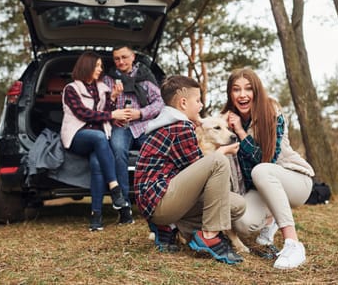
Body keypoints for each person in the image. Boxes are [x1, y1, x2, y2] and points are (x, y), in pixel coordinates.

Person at [134, 75, 246, 265]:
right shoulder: (180, 127)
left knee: (236, 205)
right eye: (198, 100)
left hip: (156, 202)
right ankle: (209, 236)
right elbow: (203, 171)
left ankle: (169, 229)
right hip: (160, 202)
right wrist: (222, 152)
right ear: (183, 103)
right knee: (218, 161)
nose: (201, 105)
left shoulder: (168, 124)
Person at [221, 68, 315, 269]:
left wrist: (239, 131)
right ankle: (272, 216)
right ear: (230, 94)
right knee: (242, 223)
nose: (242, 95)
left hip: (295, 181)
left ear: (257, 90)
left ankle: (293, 244)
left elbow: (266, 159)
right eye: (236, 90)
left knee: (261, 170)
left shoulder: (271, 112)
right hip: (260, 187)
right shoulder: (226, 120)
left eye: (248, 89)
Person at [60, 52, 131, 231]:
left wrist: (113, 98)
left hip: (98, 138)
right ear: (87, 66)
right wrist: (112, 114)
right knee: (99, 137)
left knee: (97, 163)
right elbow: (83, 114)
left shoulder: (102, 88)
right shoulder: (71, 89)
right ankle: (115, 189)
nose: (100, 69)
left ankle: (96, 216)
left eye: (100, 66)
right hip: (78, 135)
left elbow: (107, 112)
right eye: (97, 66)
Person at [103, 46, 164, 225]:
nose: (121, 62)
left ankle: (155, 200)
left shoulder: (145, 77)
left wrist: (141, 113)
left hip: (144, 125)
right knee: (118, 153)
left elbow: (160, 102)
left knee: (156, 153)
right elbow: (100, 107)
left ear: (133, 57)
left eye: (124, 57)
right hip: (120, 127)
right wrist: (113, 99)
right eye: (116, 59)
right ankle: (124, 207)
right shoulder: (108, 80)